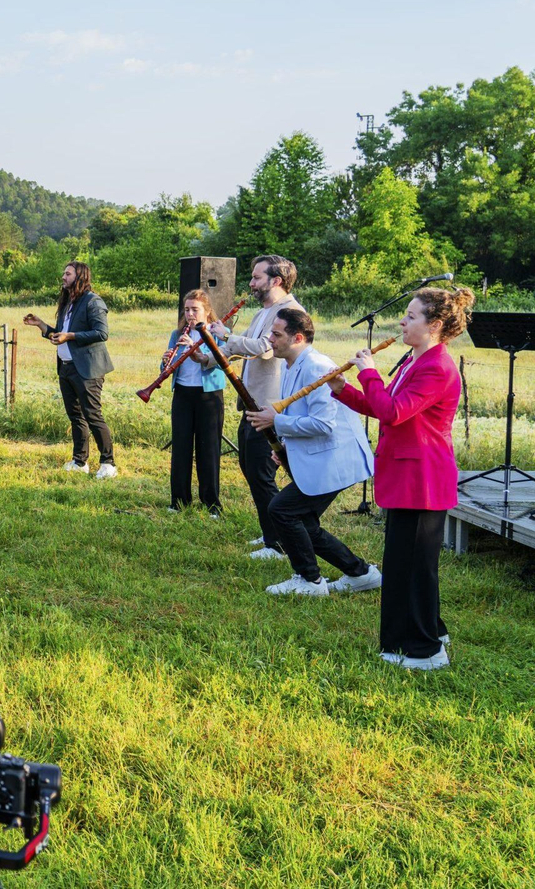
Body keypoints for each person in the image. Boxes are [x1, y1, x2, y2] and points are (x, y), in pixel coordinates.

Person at [332, 286, 474, 670]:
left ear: (435, 325)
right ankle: (424, 634)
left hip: (423, 478)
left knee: (413, 567)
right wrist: (344, 389)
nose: (402, 322)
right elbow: (384, 408)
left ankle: (426, 651)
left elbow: (394, 411)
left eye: (411, 317)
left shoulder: (436, 367)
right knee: (403, 565)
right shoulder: (415, 361)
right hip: (407, 475)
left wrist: (369, 375)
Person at [243, 308, 379, 598]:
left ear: (298, 337)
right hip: (323, 458)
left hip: (336, 460)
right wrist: (287, 449)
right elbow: (303, 416)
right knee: (303, 520)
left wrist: (275, 421)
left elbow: (324, 425)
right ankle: (361, 573)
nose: (270, 339)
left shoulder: (316, 366)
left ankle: (310, 580)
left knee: (282, 510)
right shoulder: (293, 364)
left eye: (276, 334)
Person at [202, 254, 304, 558]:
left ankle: (279, 543)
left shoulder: (289, 311)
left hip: (270, 405)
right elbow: (240, 347)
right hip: (252, 403)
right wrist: (206, 357)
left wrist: (227, 335)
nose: (251, 283)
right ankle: (270, 532)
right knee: (250, 467)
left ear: (276, 281)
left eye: (257, 277)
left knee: (262, 472)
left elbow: (265, 350)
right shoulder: (266, 311)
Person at [24, 261, 116, 479]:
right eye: (63, 273)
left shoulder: (93, 302)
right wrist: (41, 325)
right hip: (66, 368)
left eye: (67, 273)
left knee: (93, 415)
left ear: (80, 276)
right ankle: (80, 461)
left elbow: (101, 333)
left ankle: (108, 463)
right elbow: (61, 334)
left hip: (87, 369)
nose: (63, 277)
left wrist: (70, 336)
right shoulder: (68, 303)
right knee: (75, 416)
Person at [162, 291, 229, 515]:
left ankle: (212, 504)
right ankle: (179, 501)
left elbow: (221, 363)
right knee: (180, 448)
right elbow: (166, 369)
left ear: (207, 311)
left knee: (208, 450)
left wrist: (196, 348)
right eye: (187, 309)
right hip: (182, 393)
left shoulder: (219, 333)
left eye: (195, 309)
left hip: (209, 396)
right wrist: (165, 362)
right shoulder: (177, 333)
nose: (190, 314)